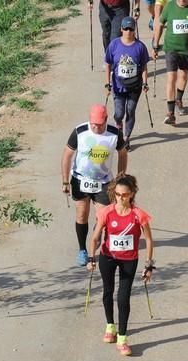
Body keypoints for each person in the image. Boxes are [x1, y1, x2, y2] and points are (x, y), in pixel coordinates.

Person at [87, 173, 154, 356]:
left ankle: (122, 338)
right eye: (117, 194)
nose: (120, 198)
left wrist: (148, 266)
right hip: (108, 257)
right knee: (108, 292)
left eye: (124, 195)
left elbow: (148, 240)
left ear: (131, 194)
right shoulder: (106, 212)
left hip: (129, 260)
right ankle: (110, 326)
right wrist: (91, 258)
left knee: (123, 297)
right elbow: (95, 238)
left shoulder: (138, 215)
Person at [61, 104, 128, 266]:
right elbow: (67, 156)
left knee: (103, 218)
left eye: (98, 124)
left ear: (105, 120)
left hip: (104, 182)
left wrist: (120, 178)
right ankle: (83, 250)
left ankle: (96, 237)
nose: (95, 127)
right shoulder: (80, 131)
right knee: (82, 215)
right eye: (93, 123)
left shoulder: (114, 134)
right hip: (80, 180)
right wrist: (65, 181)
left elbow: (123, 154)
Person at [152, 0, 188, 125]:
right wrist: (156, 43)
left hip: (187, 49)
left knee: (184, 75)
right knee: (171, 77)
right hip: (171, 48)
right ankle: (170, 113)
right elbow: (160, 24)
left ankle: (178, 99)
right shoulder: (170, 6)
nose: (182, 1)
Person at [105, 16, 150, 150]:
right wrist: (107, 84)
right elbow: (107, 64)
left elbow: (144, 67)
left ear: (134, 30)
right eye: (126, 29)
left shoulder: (140, 47)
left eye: (131, 29)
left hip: (135, 86)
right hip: (118, 86)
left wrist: (145, 83)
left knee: (130, 111)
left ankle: (126, 138)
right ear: (121, 29)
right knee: (119, 113)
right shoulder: (114, 45)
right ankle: (118, 127)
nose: (128, 32)